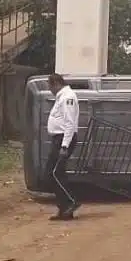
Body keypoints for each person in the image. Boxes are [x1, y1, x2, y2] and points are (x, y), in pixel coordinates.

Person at [46, 73, 81, 220]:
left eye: (50, 86)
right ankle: (65, 210)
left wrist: (64, 145)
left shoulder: (67, 97)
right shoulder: (62, 96)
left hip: (64, 139)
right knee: (57, 173)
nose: (49, 89)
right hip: (59, 138)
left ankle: (71, 201)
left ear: (55, 83)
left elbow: (69, 123)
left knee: (52, 172)